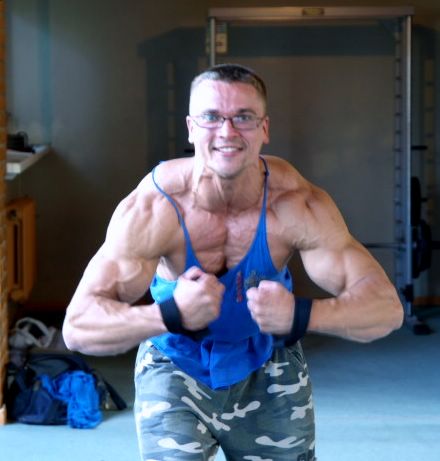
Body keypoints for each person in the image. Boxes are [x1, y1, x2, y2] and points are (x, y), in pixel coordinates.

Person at [63, 63, 403, 461]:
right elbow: (78, 328)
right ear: (191, 128)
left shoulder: (296, 204)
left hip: (268, 361)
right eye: (211, 117)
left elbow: (386, 309)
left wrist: (300, 316)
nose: (227, 132)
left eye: (243, 117)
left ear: (264, 128)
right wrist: (170, 314)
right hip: (174, 363)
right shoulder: (154, 207)